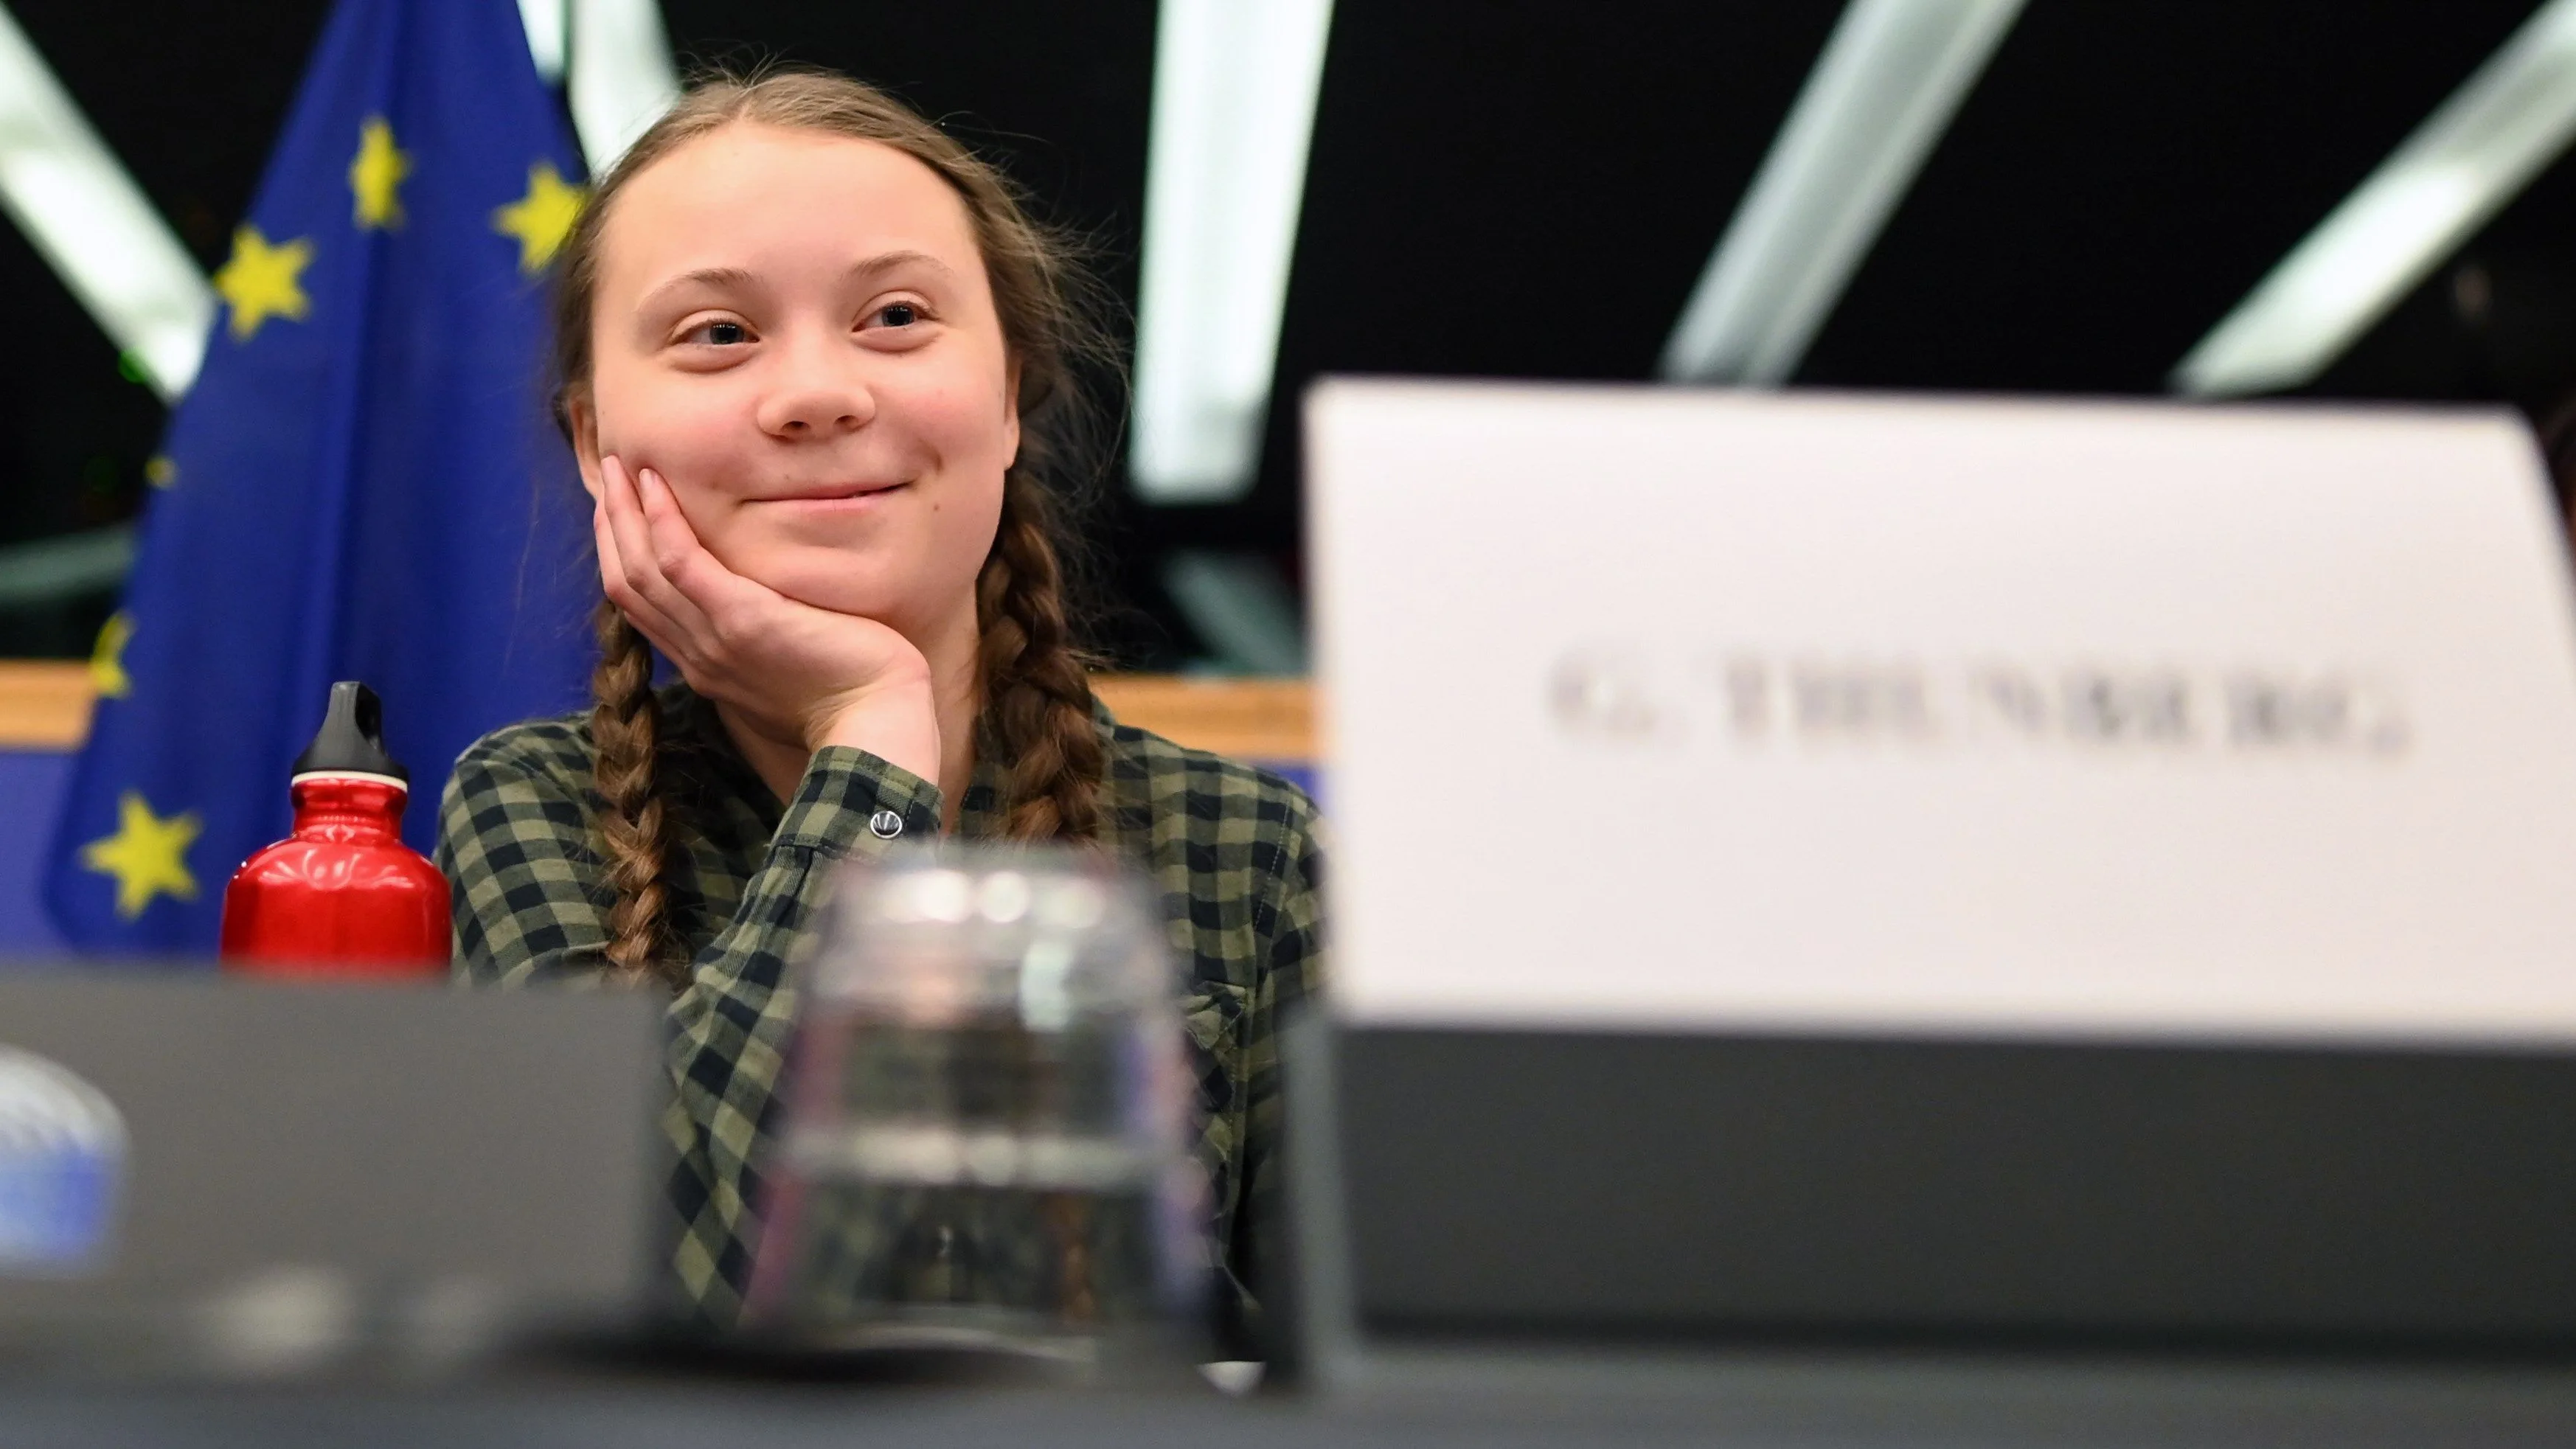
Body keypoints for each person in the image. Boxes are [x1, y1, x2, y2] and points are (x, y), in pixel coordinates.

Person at [433, 69, 1324, 1354]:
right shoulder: (531, 806)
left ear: (1009, 394)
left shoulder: (1244, 848)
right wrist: (872, 733)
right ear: (591, 441)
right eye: (719, 335)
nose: (817, 391)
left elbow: (1357, 1374)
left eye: (896, 316)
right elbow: (670, 1287)